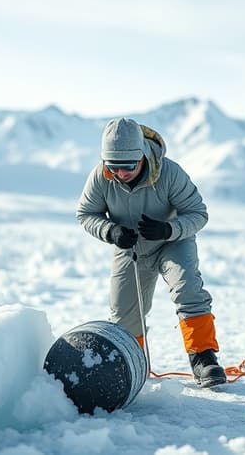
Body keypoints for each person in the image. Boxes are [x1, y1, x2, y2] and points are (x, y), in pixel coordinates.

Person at [76, 117, 227, 387]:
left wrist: (169, 229)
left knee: (188, 289)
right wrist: (111, 231)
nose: (120, 173)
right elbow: (86, 214)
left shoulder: (169, 173)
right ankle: (132, 366)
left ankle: (204, 358)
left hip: (173, 242)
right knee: (124, 315)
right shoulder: (100, 176)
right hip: (129, 248)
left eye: (128, 166)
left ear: (142, 157)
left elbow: (198, 213)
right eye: (113, 167)